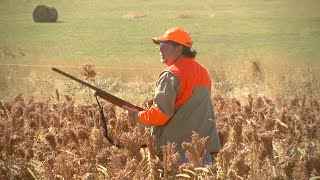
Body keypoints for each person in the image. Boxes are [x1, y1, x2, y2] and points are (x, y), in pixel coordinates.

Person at [124, 27, 221, 164]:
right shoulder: (202, 72)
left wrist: (138, 116)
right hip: (203, 152)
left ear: (179, 49)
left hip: (178, 153)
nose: (160, 49)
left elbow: (161, 114)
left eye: (165, 46)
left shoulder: (171, 75)